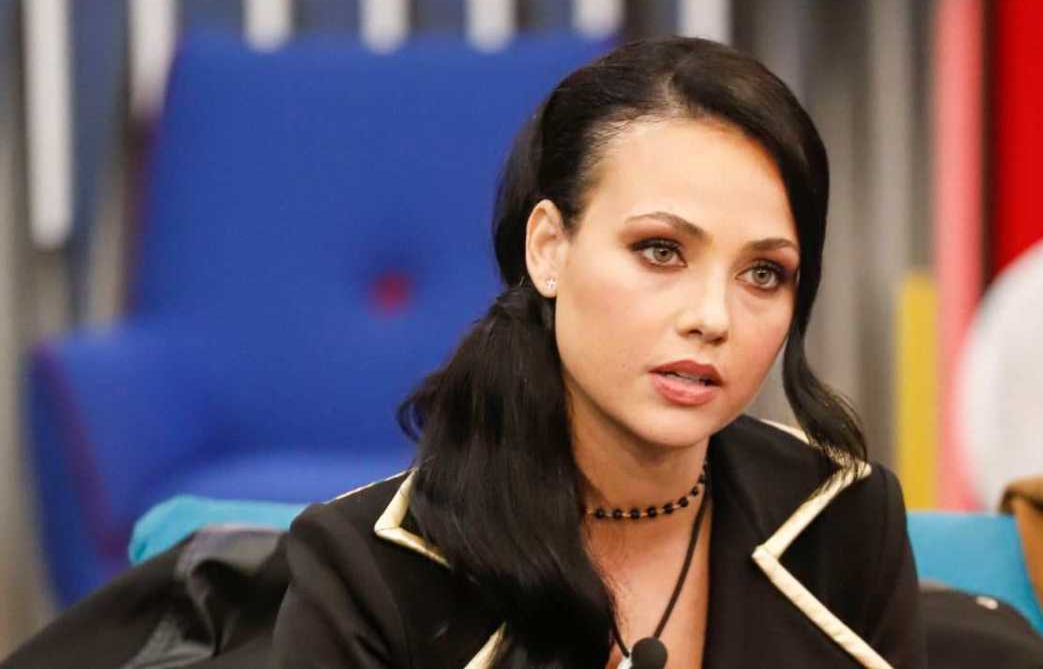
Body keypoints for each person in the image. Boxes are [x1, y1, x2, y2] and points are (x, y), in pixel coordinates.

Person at [270, 36, 925, 669]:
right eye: (661, 251)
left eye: (763, 273)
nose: (712, 318)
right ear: (548, 249)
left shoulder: (848, 521)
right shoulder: (368, 570)